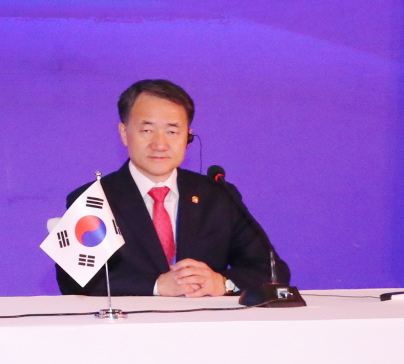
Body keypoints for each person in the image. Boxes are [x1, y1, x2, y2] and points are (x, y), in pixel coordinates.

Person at [58, 79, 287, 298]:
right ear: (124, 133)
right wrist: (157, 285)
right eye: (147, 131)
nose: (160, 144)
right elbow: (73, 281)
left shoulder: (218, 195)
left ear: (187, 136)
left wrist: (222, 283)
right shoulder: (93, 198)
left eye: (172, 132)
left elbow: (272, 271)